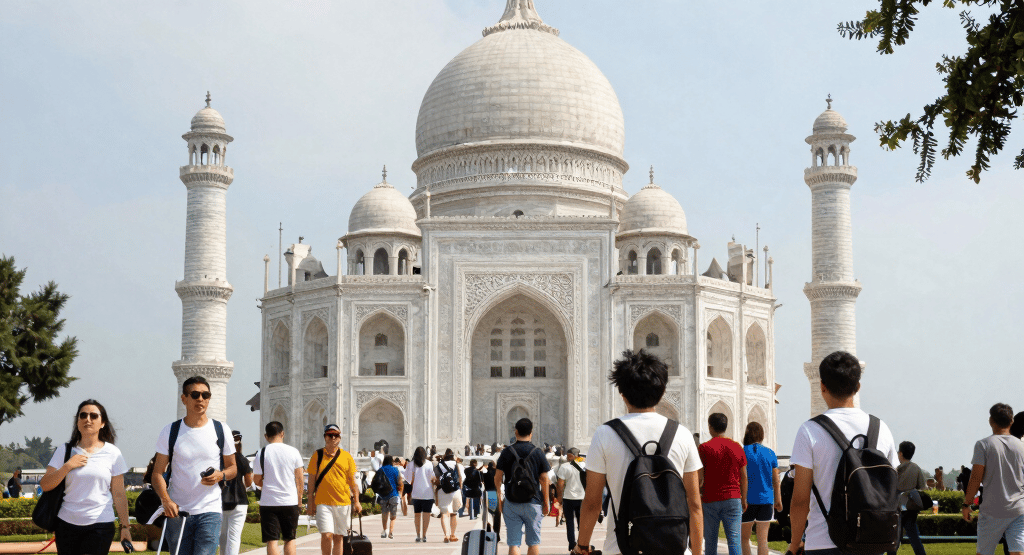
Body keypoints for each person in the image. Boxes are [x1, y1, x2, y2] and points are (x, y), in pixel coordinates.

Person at [575, 349, 703, 555]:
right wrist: (697, 553)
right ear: (661, 392)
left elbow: (592, 502)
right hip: (675, 548)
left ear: (622, 394)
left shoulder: (605, 434)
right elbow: (695, 504)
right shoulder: (682, 434)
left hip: (622, 547)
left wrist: (582, 545)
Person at [787, 351, 899, 555]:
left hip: (824, 542)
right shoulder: (881, 428)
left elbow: (801, 499)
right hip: (871, 542)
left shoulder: (810, 431)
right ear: (858, 386)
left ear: (822, 386)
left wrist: (795, 543)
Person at [153, 376, 237, 555]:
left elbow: (233, 468)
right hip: (177, 511)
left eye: (205, 395)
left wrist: (220, 475)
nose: (201, 399)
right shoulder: (170, 431)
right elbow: (157, 473)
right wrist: (166, 501)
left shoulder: (221, 429)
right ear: (184, 398)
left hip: (210, 510)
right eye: (195, 394)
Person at [40, 399, 131, 555]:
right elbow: (45, 484)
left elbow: (119, 493)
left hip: (100, 524)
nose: (87, 419)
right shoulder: (65, 450)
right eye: (83, 415)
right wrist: (67, 466)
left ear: (103, 423)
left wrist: (125, 527)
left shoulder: (113, 453)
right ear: (77, 421)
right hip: (66, 524)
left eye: (93, 416)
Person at [962, 403, 1024, 555]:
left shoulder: (983, 445)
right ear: (1011, 421)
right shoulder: (1021, 447)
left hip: (992, 511)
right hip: (1018, 509)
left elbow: (976, 478)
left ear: (991, 421)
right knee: (1018, 553)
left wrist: (966, 503)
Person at [494, 418, 551, 555]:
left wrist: (499, 499)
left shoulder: (507, 452)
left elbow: (497, 478)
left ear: (516, 432)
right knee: (533, 543)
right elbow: (544, 479)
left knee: (514, 543)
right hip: (533, 502)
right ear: (531, 433)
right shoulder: (538, 452)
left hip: (511, 502)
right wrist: (546, 501)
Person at [306, 424, 361, 555]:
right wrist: (310, 502)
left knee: (338, 537)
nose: (333, 438)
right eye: (330, 435)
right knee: (326, 535)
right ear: (325, 437)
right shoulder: (317, 455)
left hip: (343, 502)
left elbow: (353, 482)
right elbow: (312, 481)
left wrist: (357, 501)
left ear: (339, 438)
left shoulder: (346, 457)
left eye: (336, 435)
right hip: (323, 502)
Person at [699, 412, 748, 555]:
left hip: (710, 499)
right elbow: (743, 476)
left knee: (710, 541)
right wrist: (743, 498)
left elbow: (699, 477)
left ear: (710, 427)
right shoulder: (737, 446)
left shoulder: (704, 448)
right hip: (733, 498)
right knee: (734, 541)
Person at [254, 422, 304, 555]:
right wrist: (299, 499)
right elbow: (300, 479)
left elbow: (256, 479)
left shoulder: (261, 452)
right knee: (290, 539)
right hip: (289, 501)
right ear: (282, 434)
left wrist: (269, 484)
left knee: (272, 540)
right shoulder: (293, 451)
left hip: (268, 502)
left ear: (266, 436)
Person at [741, 422, 782, 555]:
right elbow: (776, 480)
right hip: (766, 500)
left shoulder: (742, 452)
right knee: (762, 541)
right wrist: (778, 499)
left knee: (744, 539)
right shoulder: (770, 453)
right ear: (761, 435)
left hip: (747, 501)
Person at [885, 441, 928, 555]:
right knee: (914, 538)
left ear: (900, 454)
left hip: (896, 509)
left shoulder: (895, 471)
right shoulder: (916, 468)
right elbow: (923, 488)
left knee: (894, 539)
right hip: (911, 508)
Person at [220, 431, 254, 555]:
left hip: (222, 500)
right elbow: (249, 482)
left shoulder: (221, 458)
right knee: (234, 537)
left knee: (222, 537)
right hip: (240, 500)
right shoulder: (242, 459)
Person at [556, 447, 587, 552]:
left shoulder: (564, 466)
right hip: (582, 498)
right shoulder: (585, 465)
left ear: (569, 456)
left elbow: (560, 484)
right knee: (581, 523)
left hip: (568, 498)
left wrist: (559, 498)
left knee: (569, 522)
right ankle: (581, 544)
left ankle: (572, 544)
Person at [405, 446, 435, 543]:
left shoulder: (411, 464)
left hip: (416, 493)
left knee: (417, 515)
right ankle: (424, 535)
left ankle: (418, 535)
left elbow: (409, 480)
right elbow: (432, 478)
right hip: (428, 493)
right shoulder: (429, 464)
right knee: (426, 515)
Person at [434, 449, 463, 543]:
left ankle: (446, 535)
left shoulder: (439, 465)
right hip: (455, 491)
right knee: (454, 513)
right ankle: (452, 535)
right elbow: (461, 478)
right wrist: (460, 489)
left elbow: (435, 479)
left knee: (444, 514)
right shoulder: (458, 465)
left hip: (443, 491)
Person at [377, 455, 402, 539]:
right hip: (394, 495)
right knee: (393, 515)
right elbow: (400, 482)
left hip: (383, 495)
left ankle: (385, 531)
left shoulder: (380, 470)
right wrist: (401, 493)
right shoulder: (395, 470)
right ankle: (391, 532)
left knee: (384, 513)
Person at [481, 460, 502, 542]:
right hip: (494, 494)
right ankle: (497, 534)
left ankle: (488, 532)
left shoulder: (484, 474)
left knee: (488, 515)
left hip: (487, 493)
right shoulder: (497, 473)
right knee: (496, 515)